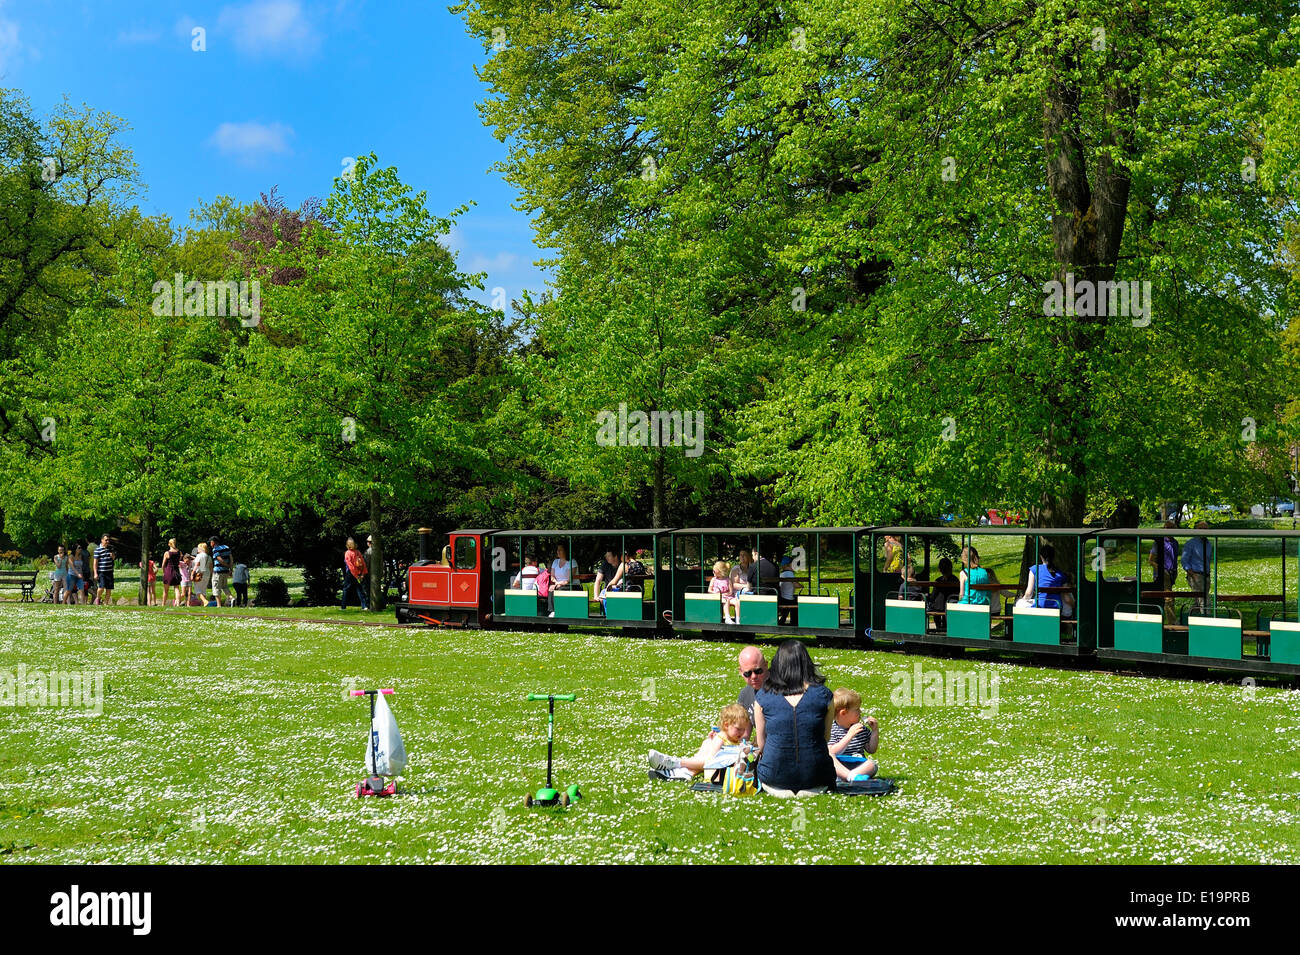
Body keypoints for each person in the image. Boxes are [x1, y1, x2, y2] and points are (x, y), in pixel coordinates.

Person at [754, 640, 836, 796]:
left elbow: (761, 744)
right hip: (817, 779)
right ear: (807, 663)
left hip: (774, 780)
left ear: (777, 664)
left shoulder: (763, 697)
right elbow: (825, 738)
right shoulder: (824, 695)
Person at [648, 704, 753, 782]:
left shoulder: (735, 739)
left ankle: (684, 771)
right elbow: (711, 761)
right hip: (715, 767)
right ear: (726, 725)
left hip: (719, 768)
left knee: (707, 744)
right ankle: (676, 763)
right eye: (738, 729)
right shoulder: (721, 738)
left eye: (743, 729)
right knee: (707, 748)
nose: (742, 733)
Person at [828, 687, 880, 781]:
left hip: (857, 764)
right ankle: (849, 777)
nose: (860, 712)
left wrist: (875, 731)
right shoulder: (832, 729)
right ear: (843, 713)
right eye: (857, 709)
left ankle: (851, 777)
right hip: (839, 765)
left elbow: (871, 749)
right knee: (829, 760)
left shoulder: (861, 728)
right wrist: (849, 735)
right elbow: (832, 752)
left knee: (872, 765)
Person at [1020, 544, 1074, 618]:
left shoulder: (1034, 569)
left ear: (1041, 556)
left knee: (1019, 604)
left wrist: (1023, 600)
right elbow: (1067, 598)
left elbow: (1029, 593)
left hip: (1040, 605)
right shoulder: (1060, 574)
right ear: (1053, 557)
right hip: (1056, 606)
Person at [735, 646, 768, 733]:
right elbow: (744, 734)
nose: (753, 677)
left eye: (758, 671)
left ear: (766, 666)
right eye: (748, 673)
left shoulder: (780, 690)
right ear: (741, 672)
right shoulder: (745, 695)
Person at [1182, 522, 1210, 613]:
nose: (1204, 531)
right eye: (1202, 529)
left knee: (1198, 602)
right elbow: (1184, 561)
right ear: (1197, 530)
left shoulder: (1208, 543)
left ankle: (1186, 620)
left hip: (1206, 576)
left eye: (1206, 529)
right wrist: (1193, 575)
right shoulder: (1191, 543)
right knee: (1204, 600)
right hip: (1196, 575)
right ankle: (1208, 621)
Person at [343, 537, 369, 611]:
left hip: (351, 573)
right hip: (358, 573)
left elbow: (350, 566)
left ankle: (343, 606)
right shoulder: (358, 552)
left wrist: (357, 574)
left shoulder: (347, 553)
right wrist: (362, 573)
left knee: (346, 589)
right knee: (359, 589)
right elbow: (363, 563)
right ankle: (364, 606)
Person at [709, 560, 737, 624]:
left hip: (727, 597)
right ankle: (727, 618)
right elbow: (709, 590)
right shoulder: (714, 579)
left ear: (720, 571)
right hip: (717, 597)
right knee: (725, 600)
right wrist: (716, 593)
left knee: (737, 602)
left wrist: (725, 594)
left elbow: (730, 592)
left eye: (714, 571)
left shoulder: (728, 580)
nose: (713, 572)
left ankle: (738, 619)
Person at [210, 536, 232, 608]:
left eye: (210, 542)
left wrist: (227, 565)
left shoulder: (215, 549)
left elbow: (219, 558)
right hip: (225, 571)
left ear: (213, 542)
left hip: (218, 571)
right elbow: (231, 558)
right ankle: (232, 598)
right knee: (224, 586)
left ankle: (219, 605)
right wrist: (230, 568)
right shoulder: (226, 547)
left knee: (216, 587)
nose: (210, 544)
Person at [94, 534, 115, 606]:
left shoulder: (110, 548)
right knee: (101, 587)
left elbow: (113, 558)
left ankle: (106, 603)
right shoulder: (98, 550)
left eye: (108, 540)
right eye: (106, 540)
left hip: (109, 571)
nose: (107, 541)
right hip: (101, 572)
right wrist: (95, 573)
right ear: (102, 540)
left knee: (109, 589)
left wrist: (112, 556)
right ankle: (98, 598)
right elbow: (95, 563)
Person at [777, 556, 799, 624]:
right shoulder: (789, 573)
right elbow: (795, 584)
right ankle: (794, 623)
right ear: (788, 565)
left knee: (784, 615)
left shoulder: (782, 573)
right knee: (797, 603)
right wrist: (802, 586)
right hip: (788, 599)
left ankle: (783, 621)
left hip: (783, 598)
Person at [161, 539, 182, 608]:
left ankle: (163, 604)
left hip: (168, 571)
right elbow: (179, 560)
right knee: (176, 588)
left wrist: (164, 572)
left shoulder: (167, 553)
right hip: (176, 571)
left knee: (166, 590)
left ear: (169, 544)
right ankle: (178, 604)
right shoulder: (179, 552)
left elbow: (163, 565)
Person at [192, 542, 212, 607]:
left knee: (198, 590)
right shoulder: (209, 557)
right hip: (207, 574)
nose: (197, 549)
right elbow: (211, 567)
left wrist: (193, 572)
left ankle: (205, 601)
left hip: (199, 573)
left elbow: (197, 564)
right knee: (203, 590)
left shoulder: (199, 555)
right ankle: (203, 604)